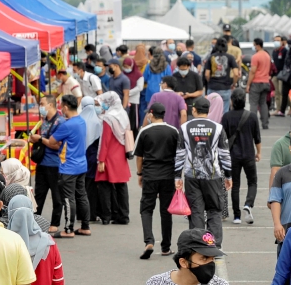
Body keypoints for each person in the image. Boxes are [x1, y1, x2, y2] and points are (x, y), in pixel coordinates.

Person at [175, 97, 233, 247]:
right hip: (213, 175)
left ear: (194, 110)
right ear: (208, 110)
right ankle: (214, 244)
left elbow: (180, 154)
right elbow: (224, 153)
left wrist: (177, 176)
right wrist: (228, 175)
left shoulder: (185, 127)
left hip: (191, 175)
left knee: (196, 211)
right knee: (214, 210)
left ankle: (197, 244)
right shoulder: (218, 128)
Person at [37, 95, 91, 238]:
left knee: (68, 198)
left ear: (66, 107)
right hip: (81, 164)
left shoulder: (67, 125)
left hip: (69, 166)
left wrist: (41, 139)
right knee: (81, 195)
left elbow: (53, 141)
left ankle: (68, 229)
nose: (61, 109)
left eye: (62, 107)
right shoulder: (81, 121)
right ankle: (85, 226)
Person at [135, 102, 180, 259]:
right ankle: (166, 247)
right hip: (168, 176)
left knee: (146, 209)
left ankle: (149, 241)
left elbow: (139, 156)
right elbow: (179, 155)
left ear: (151, 114)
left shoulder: (144, 132)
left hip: (150, 175)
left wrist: (139, 173)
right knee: (166, 211)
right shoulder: (173, 131)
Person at [221, 89, 262, 225]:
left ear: (231, 101)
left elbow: (223, 137)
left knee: (235, 185)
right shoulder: (252, 116)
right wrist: (259, 153)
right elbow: (257, 137)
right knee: (252, 181)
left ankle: (237, 216)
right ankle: (248, 204)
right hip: (249, 154)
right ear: (245, 101)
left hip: (232, 155)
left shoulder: (226, 117)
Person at [96, 91, 133, 226]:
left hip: (109, 155)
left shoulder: (108, 118)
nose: (103, 105)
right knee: (122, 186)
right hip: (121, 153)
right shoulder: (123, 114)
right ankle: (124, 215)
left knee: (105, 185)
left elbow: (105, 140)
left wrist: (101, 160)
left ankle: (106, 216)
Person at [80, 96, 104, 223]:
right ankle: (92, 213)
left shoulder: (78, 120)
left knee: (80, 186)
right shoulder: (97, 121)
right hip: (93, 158)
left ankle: (81, 213)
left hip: (79, 158)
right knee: (92, 187)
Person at [205, 40, 240, 115]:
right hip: (225, 87)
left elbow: (207, 74)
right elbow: (236, 74)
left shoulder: (211, 57)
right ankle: (223, 126)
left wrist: (210, 81)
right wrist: (234, 83)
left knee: (211, 111)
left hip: (212, 87)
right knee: (224, 111)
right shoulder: (230, 57)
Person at [246, 38, 272, 130]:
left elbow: (252, 71)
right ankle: (265, 124)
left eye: (254, 45)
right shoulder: (267, 56)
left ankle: (252, 124)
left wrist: (248, 84)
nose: (254, 47)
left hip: (256, 82)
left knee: (253, 104)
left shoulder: (255, 57)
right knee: (263, 103)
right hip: (265, 82)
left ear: (257, 45)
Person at [125, 57, 145, 137]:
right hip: (125, 101)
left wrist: (127, 93)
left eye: (128, 66)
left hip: (134, 101)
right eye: (125, 66)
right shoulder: (123, 74)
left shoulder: (139, 75)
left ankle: (134, 139)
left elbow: (139, 88)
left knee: (134, 122)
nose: (126, 68)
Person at [272, 35, 291, 117]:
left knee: (282, 92)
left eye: (278, 40)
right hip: (275, 74)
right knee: (276, 92)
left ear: (282, 41)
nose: (276, 42)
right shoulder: (274, 51)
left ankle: (290, 106)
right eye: (275, 40)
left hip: (282, 75)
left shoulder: (285, 51)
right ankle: (278, 108)